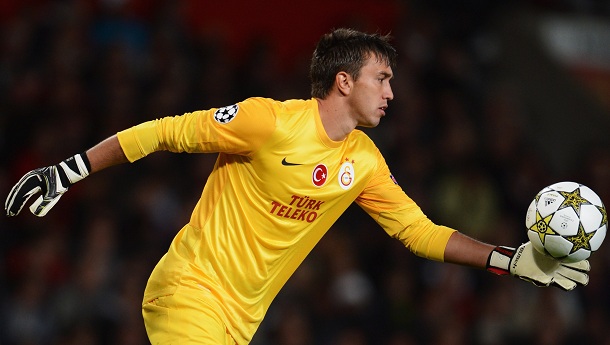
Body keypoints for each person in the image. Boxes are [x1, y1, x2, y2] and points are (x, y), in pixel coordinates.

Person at [5, 28, 590, 345]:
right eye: (381, 78)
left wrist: (508, 261)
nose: (391, 92)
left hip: (243, 322)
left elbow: (418, 232)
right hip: (189, 293)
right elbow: (164, 132)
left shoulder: (363, 160)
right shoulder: (268, 120)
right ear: (343, 81)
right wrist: (70, 169)